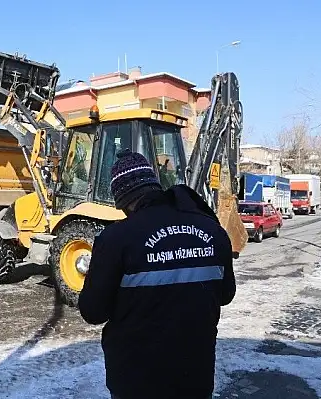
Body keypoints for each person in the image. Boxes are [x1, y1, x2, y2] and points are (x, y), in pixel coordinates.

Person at [78, 149, 236, 399]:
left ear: (123, 198)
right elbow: (226, 294)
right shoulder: (212, 230)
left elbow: (93, 311)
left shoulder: (116, 238)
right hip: (195, 376)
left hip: (137, 381)